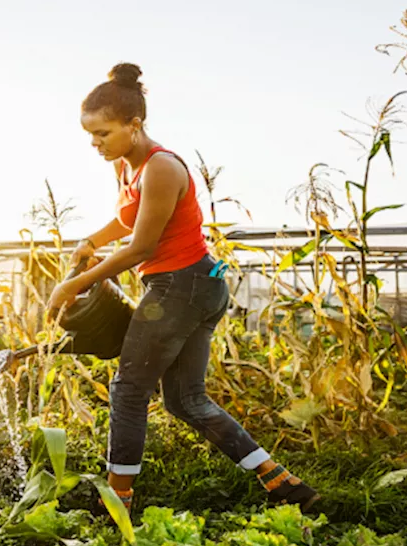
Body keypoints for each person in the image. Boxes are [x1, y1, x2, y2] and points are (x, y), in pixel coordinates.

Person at [47, 62, 319, 515]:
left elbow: (141, 247)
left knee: (129, 390)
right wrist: (93, 241)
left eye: (103, 133)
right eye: (90, 135)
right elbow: (128, 220)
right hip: (194, 287)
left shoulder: (162, 168)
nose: (96, 144)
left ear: (134, 125)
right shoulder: (127, 168)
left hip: (181, 287)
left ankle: (117, 499)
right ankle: (282, 482)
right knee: (186, 401)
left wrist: (73, 284)